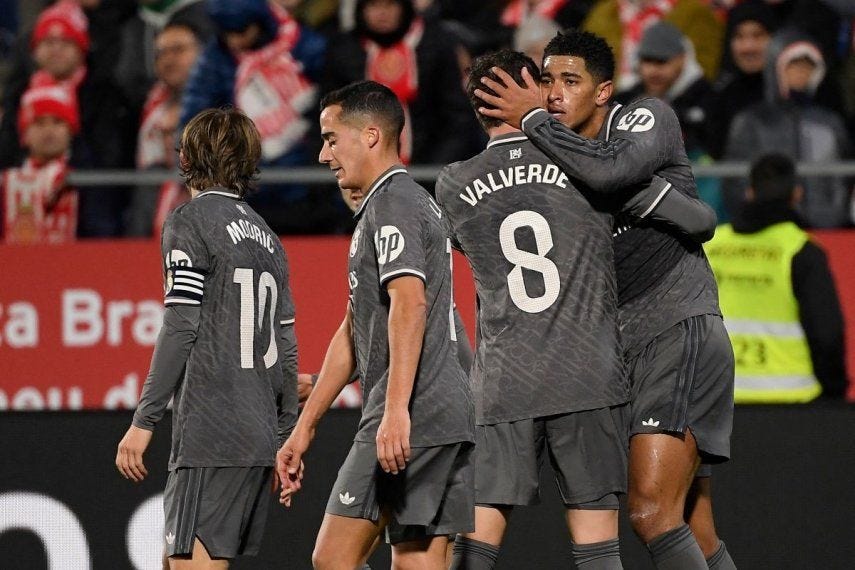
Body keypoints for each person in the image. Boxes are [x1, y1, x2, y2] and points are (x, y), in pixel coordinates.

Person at [439, 48, 719, 570]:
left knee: (474, 540)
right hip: (587, 376)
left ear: (477, 107)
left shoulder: (452, 183)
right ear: (536, 94)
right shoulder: (588, 170)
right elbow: (697, 220)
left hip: (504, 380)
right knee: (597, 543)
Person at [276, 81, 474, 570]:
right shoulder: (403, 203)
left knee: (333, 558)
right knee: (416, 562)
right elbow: (353, 331)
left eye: (330, 138)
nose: (324, 155)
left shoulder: (394, 205)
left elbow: (410, 303)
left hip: (414, 412)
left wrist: (396, 411)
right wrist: (306, 427)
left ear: (369, 135)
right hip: (443, 413)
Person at [115, 108, 299, 568]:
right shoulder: (269, 239)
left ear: (188, 157)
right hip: (256, 436)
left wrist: (143, 421)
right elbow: (287, 349)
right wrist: (284, 437)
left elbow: (181, 323)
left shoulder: (190, 221)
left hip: (211, 435)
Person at [706, 153, 847, 403]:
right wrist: (834, 393)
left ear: (749, 192)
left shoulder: (711, 245)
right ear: (797, 194)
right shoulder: (801, 250)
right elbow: (827, 334)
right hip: (791, 400)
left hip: (716, 399)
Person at [723, 28, 853, 228]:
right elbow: (736, 182)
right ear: (776, 67)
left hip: (827, 231)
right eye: (794, 64)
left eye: (808, 65)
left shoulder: (830, 123)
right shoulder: (750, 121)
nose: (801, 72)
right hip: (764, 230)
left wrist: (832, 218)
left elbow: (840, 181)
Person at [322, 0, 476, 165]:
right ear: (361, 10)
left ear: (404, 8)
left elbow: (457, 117)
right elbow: (329, 115)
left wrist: (434, 171)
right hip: (356, 168)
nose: (382, 13)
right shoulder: (342, 50)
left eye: (390, 5)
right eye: (373, 5)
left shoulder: (437, 44)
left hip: (430, 168)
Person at [127, 21, 203, 237]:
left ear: (201, 52)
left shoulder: (225, 102)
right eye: (161, 53)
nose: (168, 59)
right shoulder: (148, 107)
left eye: (178, 50)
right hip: (152, 233)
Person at [2, 84, 79, 243]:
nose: (48, 131)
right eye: (39, 123)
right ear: (25, 135)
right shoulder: (5, 182)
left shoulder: (87, 180)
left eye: (57, 122)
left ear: (70, 130)